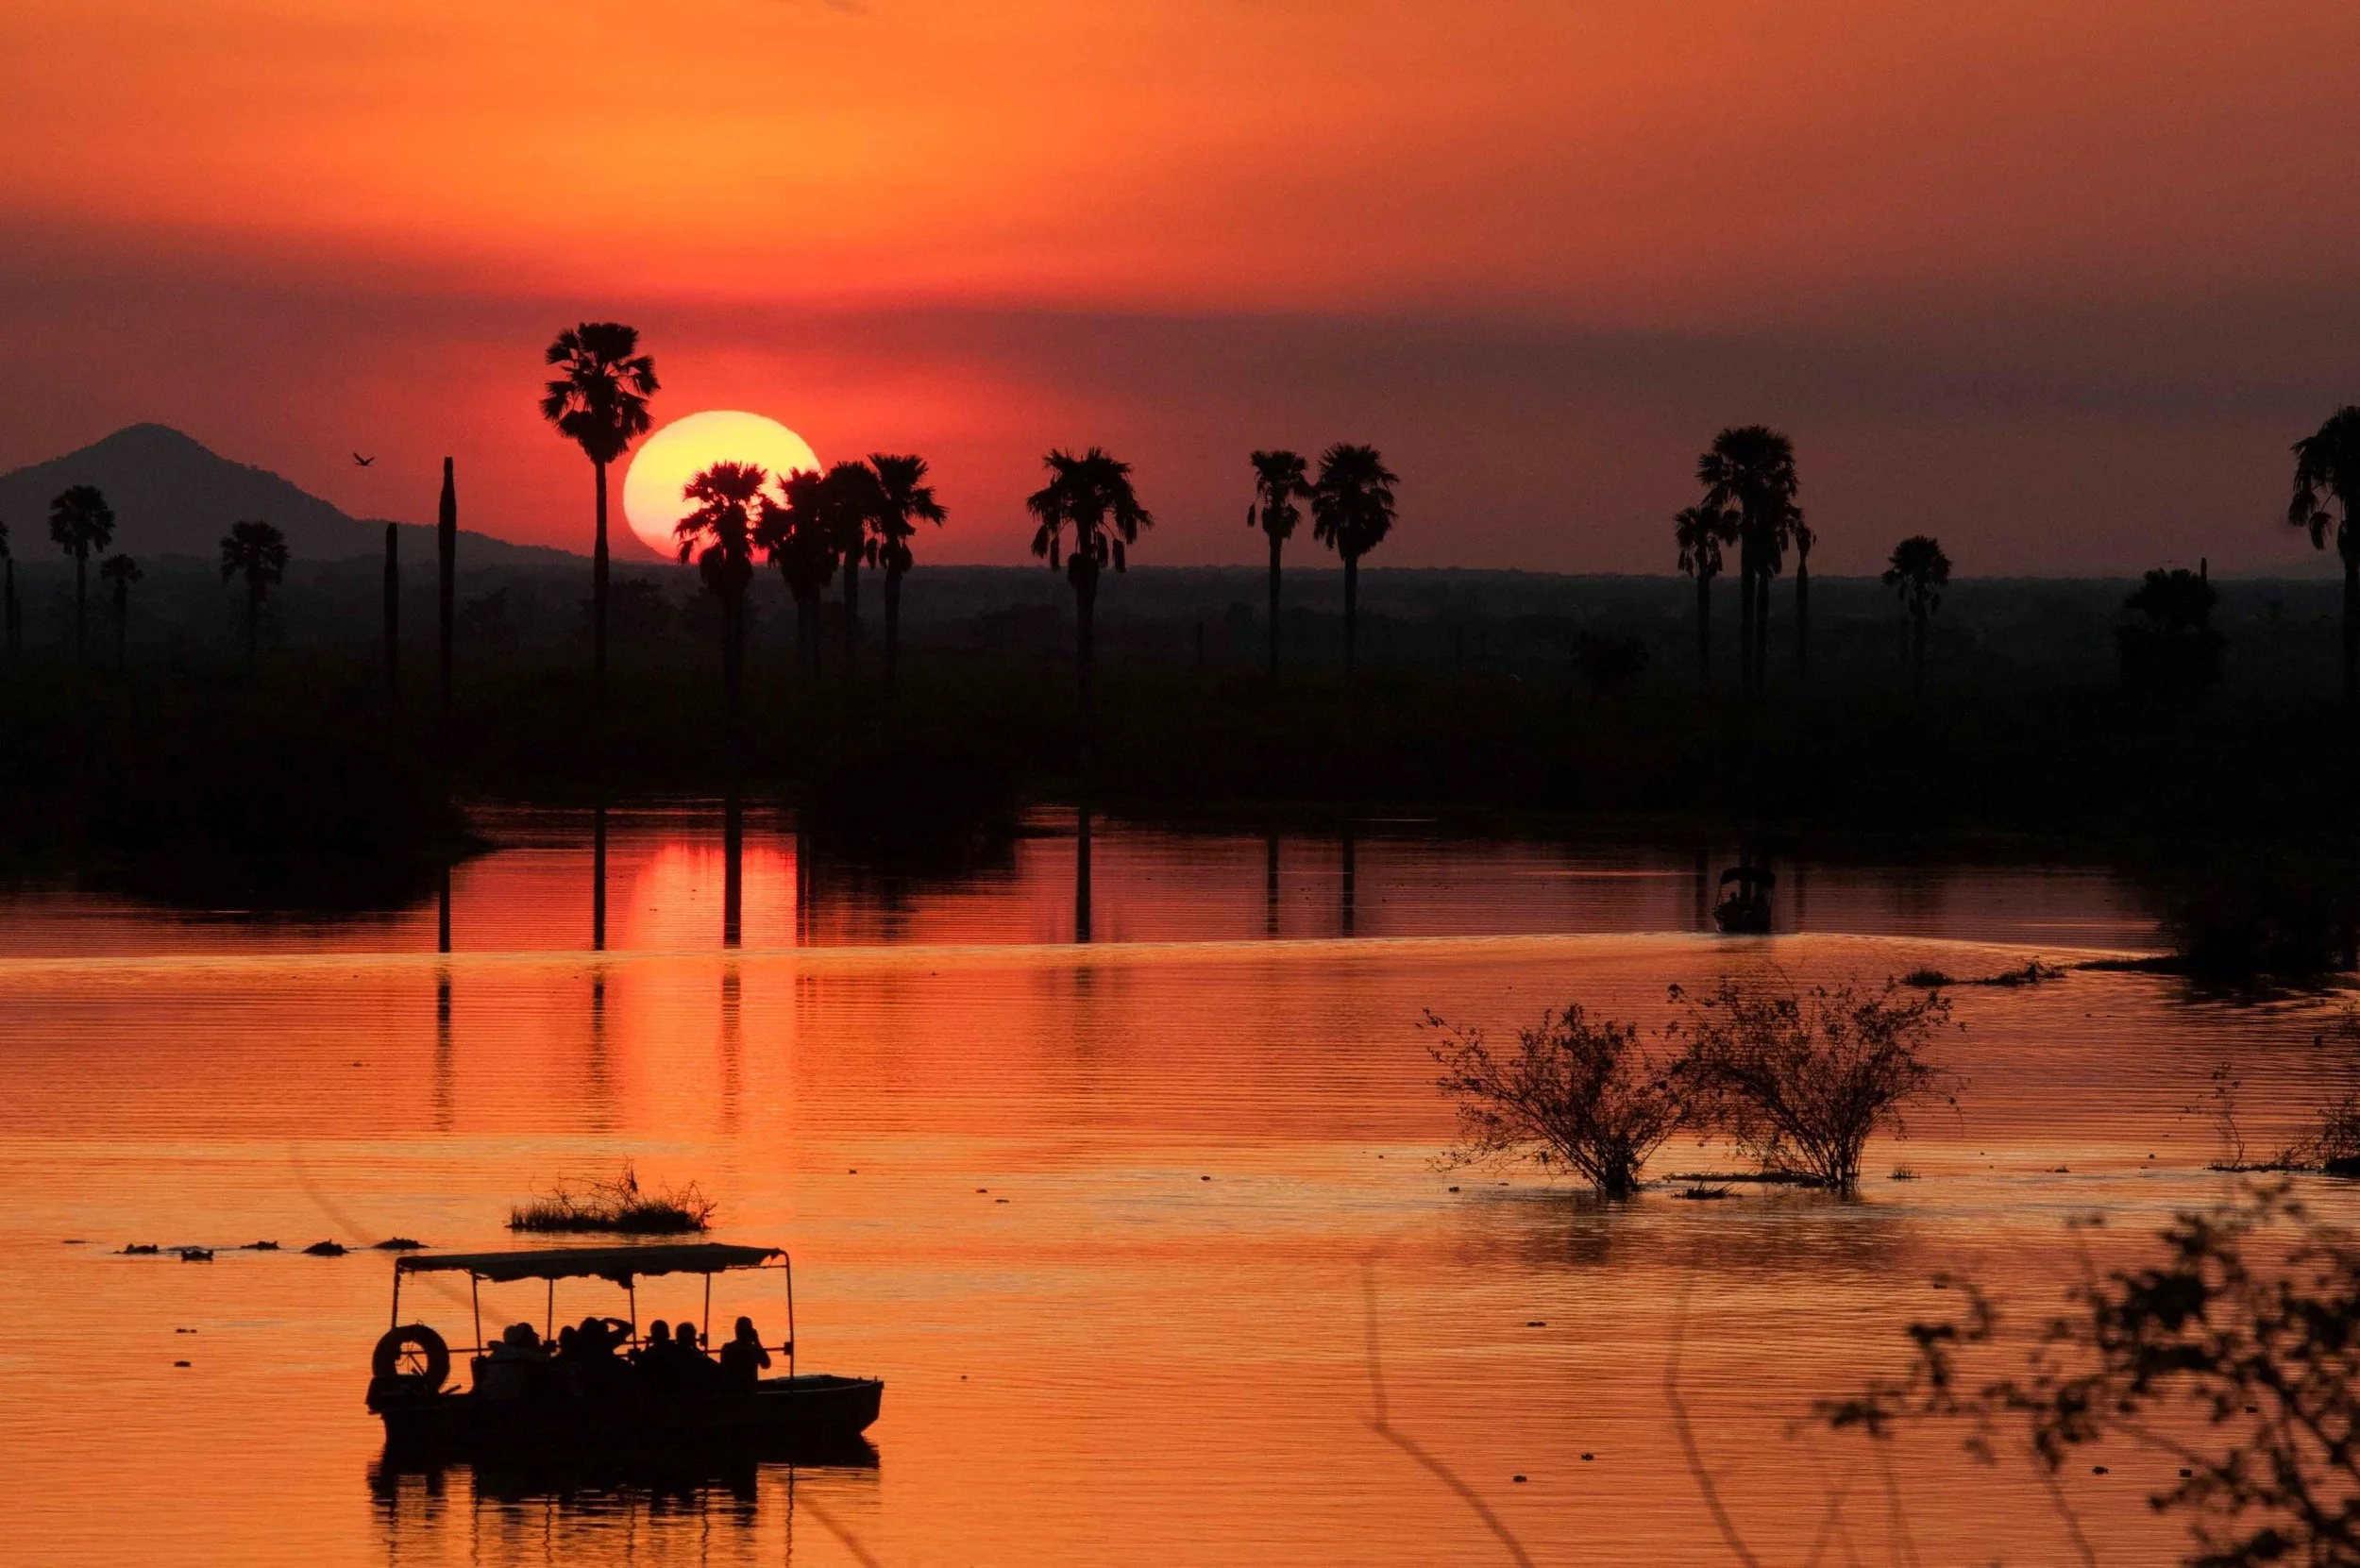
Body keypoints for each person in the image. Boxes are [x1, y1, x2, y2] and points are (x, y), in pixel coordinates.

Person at [718, 1316, 772, 1390]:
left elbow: (766, 1364)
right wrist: (756, 1341)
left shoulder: (753, 1349)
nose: (738, 1332)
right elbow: (766, 1364)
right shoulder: (729, 1348)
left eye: (741, 1330)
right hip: (737, 1389)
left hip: (745, 1390)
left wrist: (757, 1342)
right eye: (738, 1329)